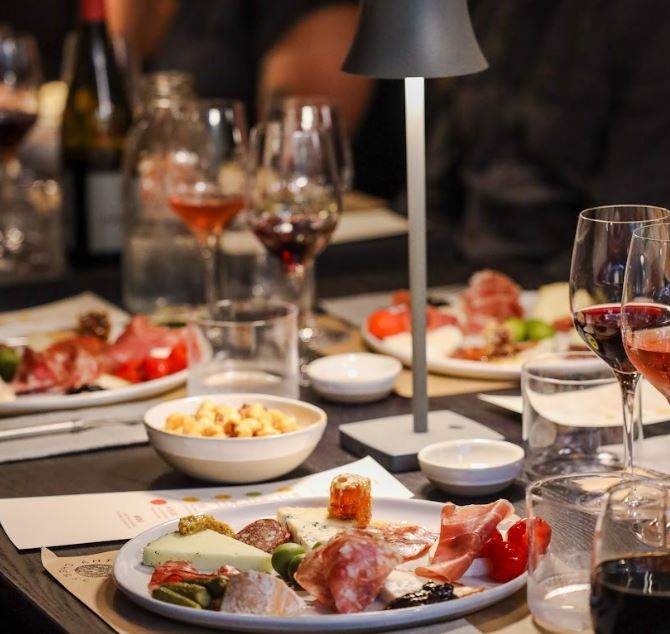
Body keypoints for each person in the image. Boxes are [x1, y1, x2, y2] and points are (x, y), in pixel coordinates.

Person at [425, 0, 670, 274]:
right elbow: (435, 186)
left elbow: (626, 224)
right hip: (459, 256)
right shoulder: (491, 10)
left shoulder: (645, 17)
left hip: (562, 273)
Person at [107, 0, 405, 198]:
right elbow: (121, 51)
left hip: (346, 249)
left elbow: (301, 161)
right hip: (207, 222)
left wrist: (205, 182)